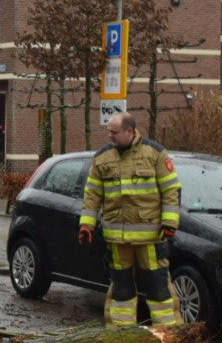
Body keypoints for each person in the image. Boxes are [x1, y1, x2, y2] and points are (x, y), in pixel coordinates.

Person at [76, 111, 183, 331]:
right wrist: (87, 225)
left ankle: (170, 335)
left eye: (114, 132)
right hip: (118, 240)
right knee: (121, 289)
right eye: (108, 132)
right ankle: (120, 337)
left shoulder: (155, 153)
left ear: (130, 131)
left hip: (151, 239)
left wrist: (170, 223)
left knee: (158, 287)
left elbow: (171, 190)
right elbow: (92, 195)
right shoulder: (103, 157)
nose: (110, 137)